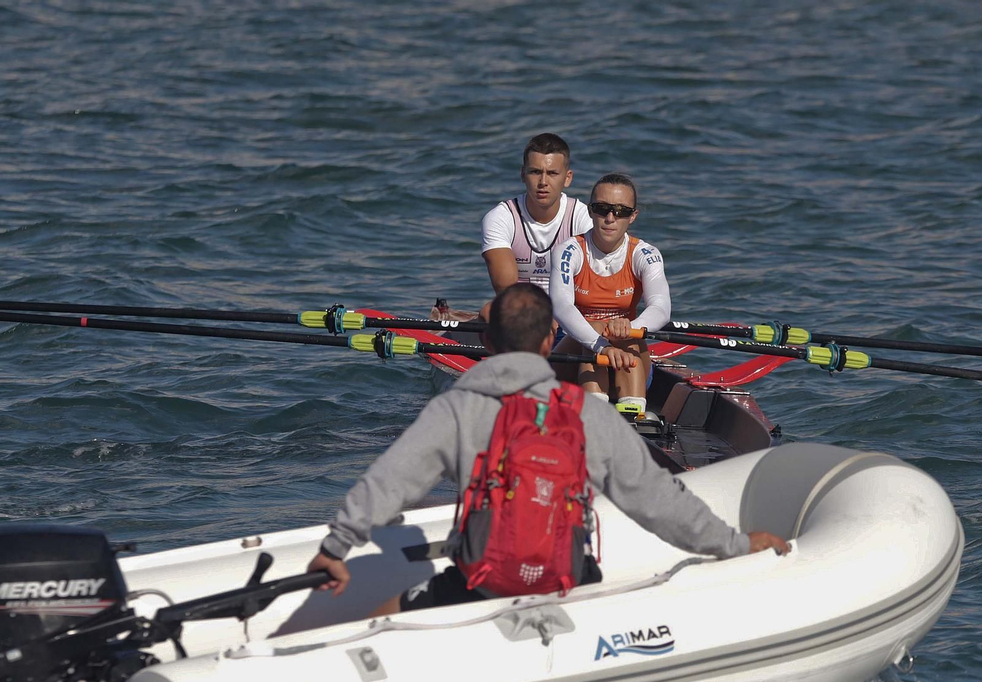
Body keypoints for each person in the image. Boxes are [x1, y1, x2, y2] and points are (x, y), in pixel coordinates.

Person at [309, 283, 788, 613]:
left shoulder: (459, 408)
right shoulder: (586, 412)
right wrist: (735, 544)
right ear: (546, 343)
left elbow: (390, 482)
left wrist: (335, 548)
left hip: (480, 583)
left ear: (489, 341)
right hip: (570, 577)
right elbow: (658, 499)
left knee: (384, 617)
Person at [432, 133, 593, 324]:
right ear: (523, 174)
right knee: (490, 311)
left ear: (567, 178)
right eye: (535, 172)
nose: (543, 182)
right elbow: (506, 288)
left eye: (552, 173)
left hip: (570, 318)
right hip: (521, 315)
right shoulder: (500, 218)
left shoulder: (583, 218)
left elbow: (594, 286)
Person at [548, 173, 667, 412]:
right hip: (573, 360)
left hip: (626, 353)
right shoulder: (569, 251)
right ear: (591, 211)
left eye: (621, 211)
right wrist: (600, 345)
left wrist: (632, 327)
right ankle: (597, 414)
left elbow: (661, 308)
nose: (610, 218)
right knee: (596, 328)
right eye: (602, 209)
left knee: (625, 336)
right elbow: (561, 306)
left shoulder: (645, 254)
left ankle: (631, 417)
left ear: (632, 216)